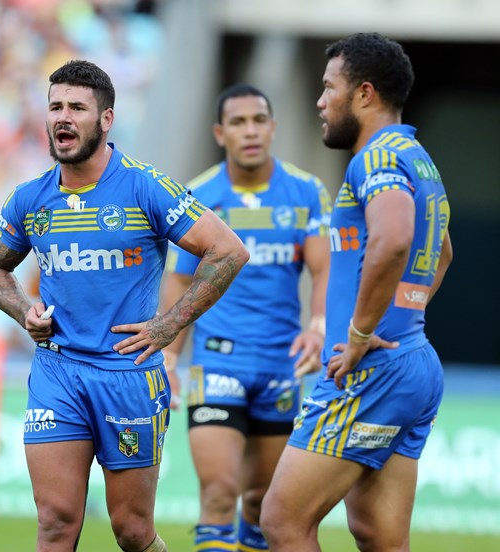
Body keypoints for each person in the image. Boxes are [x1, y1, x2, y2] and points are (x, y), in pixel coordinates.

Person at [0, 59, 249, 552]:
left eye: (77, 108)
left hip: (128, 374)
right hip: (58, 371)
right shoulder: (30, 199)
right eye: (55, 106)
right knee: (55, 522)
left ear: (106, 119)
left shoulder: (145, 187)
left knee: (132, 531)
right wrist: (24, 311)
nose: (63, 117)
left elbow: (228, 251)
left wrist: (168, 326)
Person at [261, 33, 453, 551]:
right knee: (378, 535)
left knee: (282, 521)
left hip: (371, 368)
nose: (320, 102)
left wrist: (363, 332)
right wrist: (401, 318)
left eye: (330, 88)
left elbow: (394, 240)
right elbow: (443, 253)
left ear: (364, 93)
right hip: (413, 359)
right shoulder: (418, 157)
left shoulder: (374, 158)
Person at [161, 84, 331, 552]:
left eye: (258, 120)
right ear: (220, 133)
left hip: (281, 365)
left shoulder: (306, 192)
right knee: (219, 494)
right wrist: (169, 358)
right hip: (217, 363)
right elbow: (180, 280)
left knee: (262, 504)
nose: (250, 131)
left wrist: (318, 327)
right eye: (238, 122)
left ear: (273, 128)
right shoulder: (198, 194)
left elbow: (324, 270)